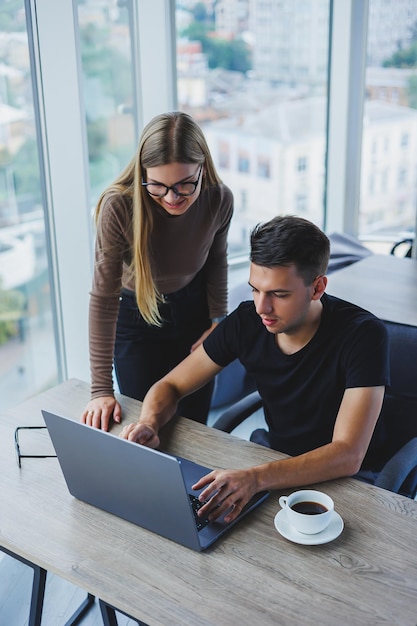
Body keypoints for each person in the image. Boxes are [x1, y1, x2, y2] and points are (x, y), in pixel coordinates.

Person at [119, 215, 390, 525]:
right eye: (255, 290)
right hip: (276, 464)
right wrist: (150, 422)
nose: (263, 307)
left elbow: (347, 454)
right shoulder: (248, 321)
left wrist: (256, 478)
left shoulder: (364, 335)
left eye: (279, 294)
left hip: (351, 482)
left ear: (317, 288)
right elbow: (171, 385)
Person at [81, 111, 233, 430]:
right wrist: (100, 390)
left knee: (194, 427)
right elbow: (104, 299)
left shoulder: (219, 199)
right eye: (158, 186)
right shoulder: (119, 207)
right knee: (143, 425)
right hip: (135, 315)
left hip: (195, 311)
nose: (172, 198)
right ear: (142, 173)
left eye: (184, 185)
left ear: (202, 166)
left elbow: (216, 260)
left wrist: (218, 320)